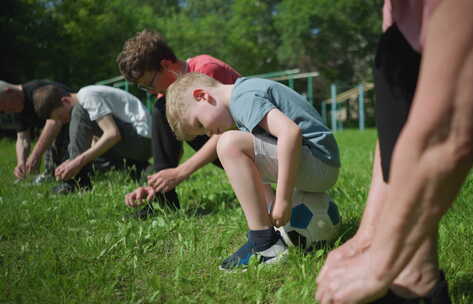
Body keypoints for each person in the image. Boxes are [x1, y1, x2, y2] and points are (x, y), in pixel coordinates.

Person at [315, 1, 473, 303]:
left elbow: (444, 134)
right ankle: (414, 274)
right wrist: (370, 235)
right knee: (397, 53)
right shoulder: (401, 7)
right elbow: (406, 113)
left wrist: (378, 265)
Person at [164, 72, 341, 270]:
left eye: (200, 125)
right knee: (241, 144)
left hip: (319, 163)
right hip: (321, 162)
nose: (209, 133)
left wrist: (283, 199)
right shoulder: (243, 93)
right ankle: (270, 225)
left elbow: (290, 133)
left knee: (229, 144)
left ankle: (265, 245)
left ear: (202, 96)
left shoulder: (243, 98)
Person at [117, 29, 244, 219]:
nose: (151, 92)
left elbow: (227, 130)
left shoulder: (205, 69)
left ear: (166, 65)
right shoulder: (170, 94)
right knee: (162, 107)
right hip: (229, 144)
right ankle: (163, 199)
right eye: (145, 88)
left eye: (149, 84)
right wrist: (156, 184)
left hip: (253, 143)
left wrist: (180, 172)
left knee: (162, 106)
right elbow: (172, 146)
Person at [34, 84, 152, 194]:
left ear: (65, 101)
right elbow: (99, 142)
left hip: (141, 140)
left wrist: (76, 161)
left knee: (80, 111)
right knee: (92, 152)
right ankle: (142, 170)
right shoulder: (88, 97)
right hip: (139, 146)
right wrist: (70, 162)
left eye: (60, 116)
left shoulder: (86, 95)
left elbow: (112, 134)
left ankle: (76, 182)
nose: (64, 121)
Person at [0, 80, 72, 182]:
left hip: (74, 124)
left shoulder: (38, 91)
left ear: (9, 92)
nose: (5, 111)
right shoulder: (16, 108)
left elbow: (55, 122)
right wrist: (21, 162)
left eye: (3, 105)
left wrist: (35, 155)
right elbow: (22, 138)